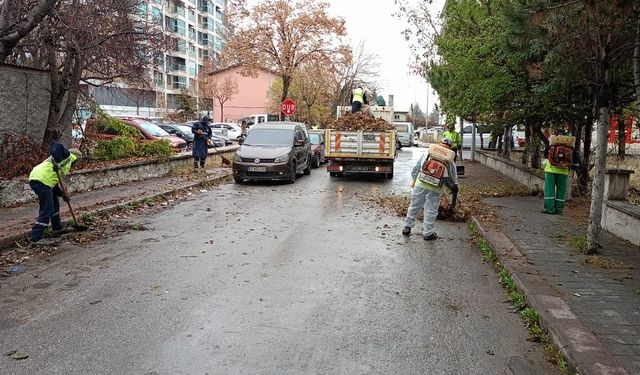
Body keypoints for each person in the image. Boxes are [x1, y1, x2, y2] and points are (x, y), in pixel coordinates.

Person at [402, 138, 459, 241]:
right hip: (436, 186)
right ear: (450, 147)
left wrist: (415, 180)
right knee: (431, 209)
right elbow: (452, 176)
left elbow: (416, 167)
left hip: (421, 182)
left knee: (414, 205)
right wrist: (453, 186)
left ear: (440, 144)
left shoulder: (428, 152)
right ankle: (428, 233)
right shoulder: (449, 159)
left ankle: (407, 227)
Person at [28, 143, 81, 245]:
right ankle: (36, 237)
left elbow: (55, 184)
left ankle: (57, 228)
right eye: (78, 162)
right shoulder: (69, 156)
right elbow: (57, 146)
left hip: (43, 180)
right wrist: (57, 161)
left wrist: (62, 194)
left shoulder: (66, 164)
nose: (77, 165)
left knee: (54, 203)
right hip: (41, 180)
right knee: (47, 208)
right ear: (77, 159)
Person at [542, 130, 572, 215]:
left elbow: (545, 154)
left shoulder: (552, 143)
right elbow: (574, 159)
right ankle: (559, 209)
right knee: (561, 191)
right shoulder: (569, 145)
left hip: (551, 170)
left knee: (549, 190)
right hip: (564, 171)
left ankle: (549, 209)